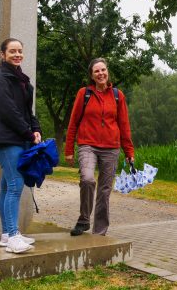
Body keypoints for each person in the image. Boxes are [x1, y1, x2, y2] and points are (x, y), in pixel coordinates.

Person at [65, 57, 135, 236]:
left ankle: (100, 232)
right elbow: (73, 122)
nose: (100, 73)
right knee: (87, 179)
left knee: (104, 191)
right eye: (96, 71)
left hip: (111, 148)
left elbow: (124, 125)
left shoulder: (118, 96)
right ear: (92, 75)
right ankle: (83, 220)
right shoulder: (84, 94)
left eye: (103, 70)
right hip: (87, 145)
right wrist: (68, 150)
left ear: (107, 72)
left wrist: (129, 151)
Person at [0, 38, 41, 254]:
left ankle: (7, 235)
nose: (17, 54)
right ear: (2, 54)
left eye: (20, 51)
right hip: (6, 139)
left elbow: (29, 112)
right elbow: (7, 111)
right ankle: (13, 235)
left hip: (19, 138)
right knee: (16, 185)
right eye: (12, 51)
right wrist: (27, 132)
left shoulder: (22, 81)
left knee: (7, 186)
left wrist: (36, 129)